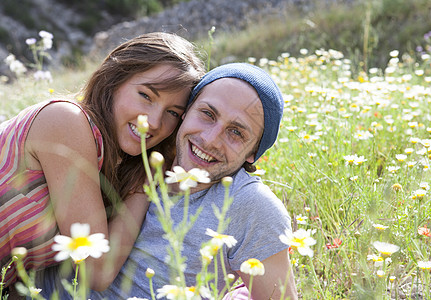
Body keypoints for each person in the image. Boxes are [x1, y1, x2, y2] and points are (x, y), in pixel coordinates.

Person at [0, 32, 205, 295]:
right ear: (113, 80)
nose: (154, 122)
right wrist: (146, 181)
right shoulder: (66, 121)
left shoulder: (113, 165)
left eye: (173, 113)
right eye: (146, 95)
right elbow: (96, 272)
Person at [89, 63, 298, 299]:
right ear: (185, 112)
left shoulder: (251, 206)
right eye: (208, 114)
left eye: (236, 132)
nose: (210, 140)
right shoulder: (138, 153)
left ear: (253, 152)